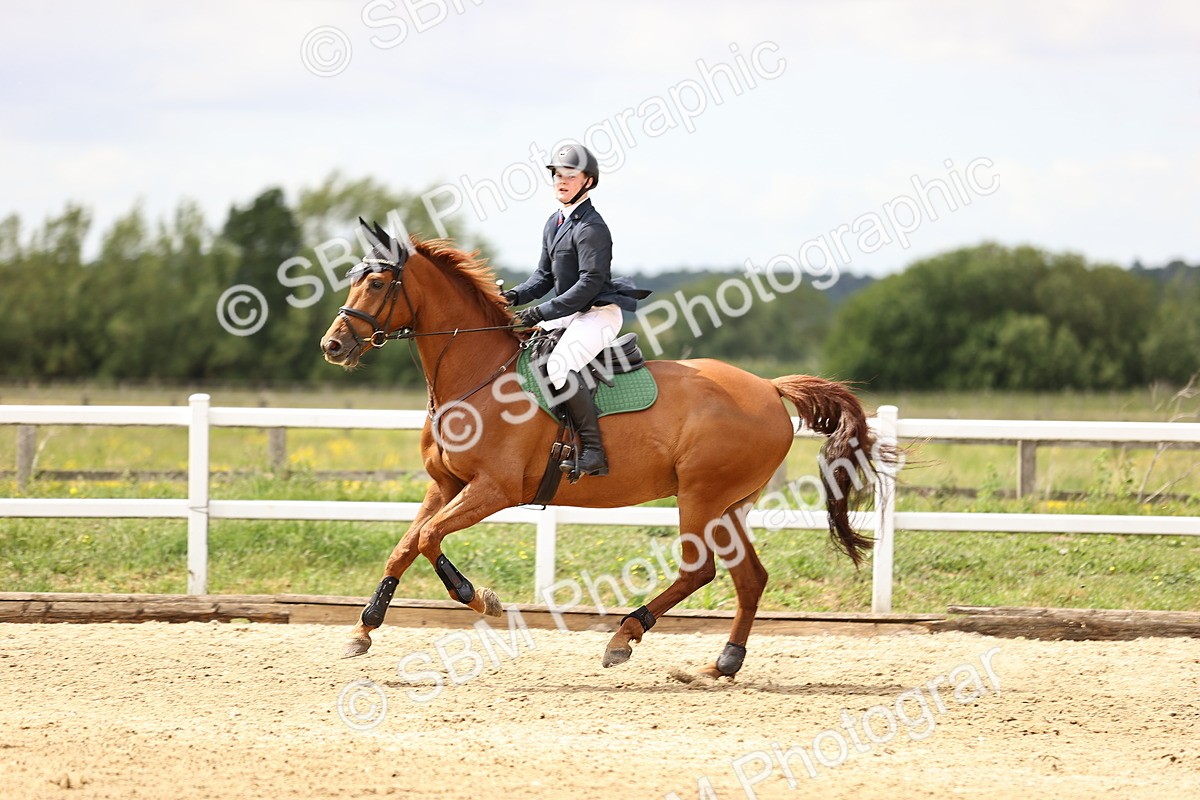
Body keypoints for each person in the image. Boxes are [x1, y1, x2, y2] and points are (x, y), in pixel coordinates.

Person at [502, 143, 649, 478]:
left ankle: (594, 452)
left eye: (570, 175)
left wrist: (539, 313)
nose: (561, 181)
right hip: (570, 310)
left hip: (597, 312)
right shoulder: (554, 223)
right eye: (557, 175)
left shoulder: (592, 228)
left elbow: (589, 284)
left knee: (559, 365)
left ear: (588, 182)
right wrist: (510, 297)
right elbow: (542, 277)